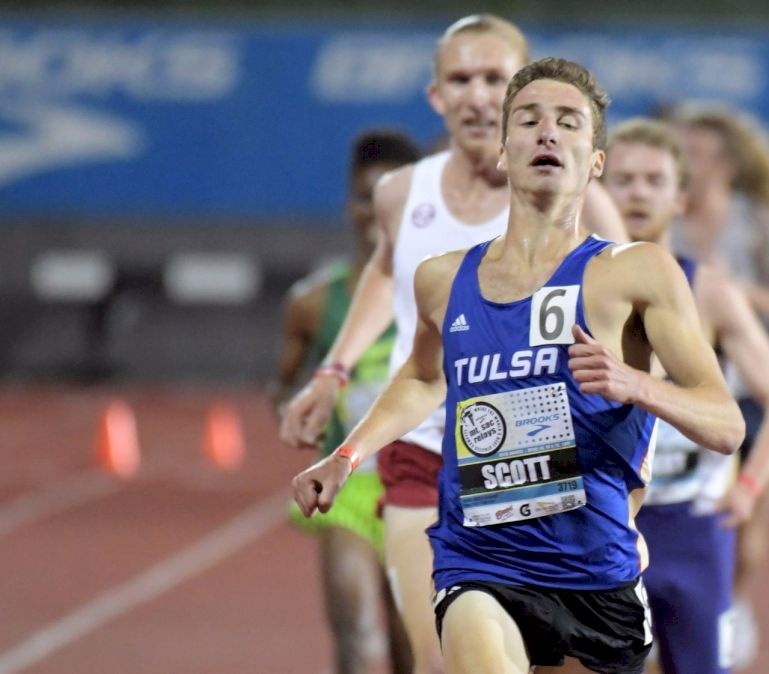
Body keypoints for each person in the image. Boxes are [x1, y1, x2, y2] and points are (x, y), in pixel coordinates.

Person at [293, 57, 744, 674]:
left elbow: (725, 424)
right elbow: (426, 377)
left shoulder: (635, 272)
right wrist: (347, 455)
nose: (548, 134)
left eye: (568, 122)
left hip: (595, 569)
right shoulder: (443, 279)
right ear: (504, 152)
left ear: (596, 162)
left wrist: (632, 382)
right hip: (478, 560)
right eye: (529, 121)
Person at [278, 15, 628, 673]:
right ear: (436, 95)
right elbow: (388, 269)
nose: (476, 95)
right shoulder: (402, 192)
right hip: (424, 448)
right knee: (440, 656)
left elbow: (633, 308)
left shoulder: (576, 195)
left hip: (540, 454)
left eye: (495, 79)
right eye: (460, 79)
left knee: (535, 659)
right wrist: (333, 371)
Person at [602, 117, 769, 674]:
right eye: (624, 179)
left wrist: (749, 488)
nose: (638, 192)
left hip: (696, 528)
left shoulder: (709, 291)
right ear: (599, 189)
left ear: (681, 198)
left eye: (653, 180)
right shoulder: (572, 289)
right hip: (607, 523)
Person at [670, 105, 769, 668]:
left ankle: (735, 603)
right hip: (684, 394)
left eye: (699, 153)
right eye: (679, 149)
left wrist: (736, 295)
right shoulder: (664, 219)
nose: (686, 162)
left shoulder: (754, 224)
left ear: (728, 166)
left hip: (754, 394)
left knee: (749, 534)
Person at [270, 130, 420, 674]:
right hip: (350, 487)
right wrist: (298, 412)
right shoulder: (314, 303)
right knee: (357, 640)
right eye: (363, 197)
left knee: (416, 652)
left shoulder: (446, 288)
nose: (373, 211)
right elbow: (281, 389)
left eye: (389, 196)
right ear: (349, 205)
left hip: (425, 486)